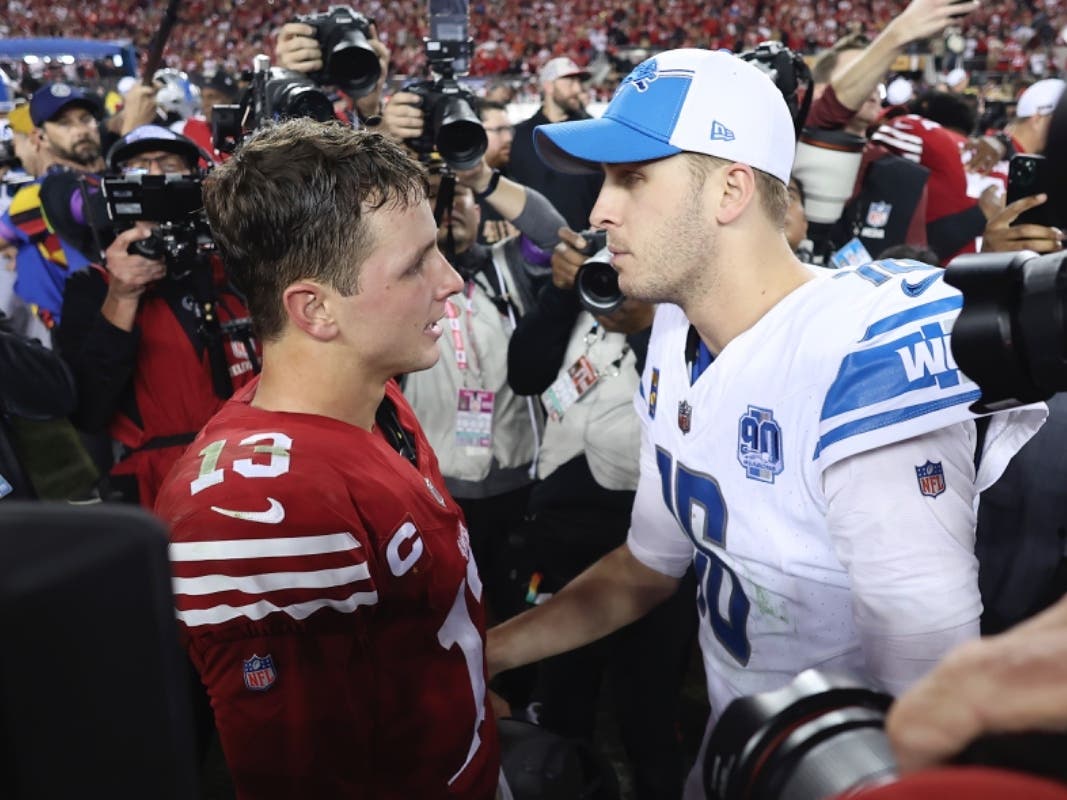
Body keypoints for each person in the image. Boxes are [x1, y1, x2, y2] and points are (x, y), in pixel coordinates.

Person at [487, 48, 1045, 798]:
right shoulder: (673, 329)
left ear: (730, 189)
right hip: (736, 757)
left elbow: (934, 711)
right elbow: (649, 566)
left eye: (631, 178)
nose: (597, 211)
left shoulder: (851, 359)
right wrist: (483, 655)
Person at [154, 119, 502, 799]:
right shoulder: (261, 517)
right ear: (314, 309)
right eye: (413, 264)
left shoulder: (371, 396)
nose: (452, 281)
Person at [504, 228, 697, 798]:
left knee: (650, 718)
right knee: (561, 704)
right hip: (562, 529)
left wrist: (645, 328)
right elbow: (525, 373)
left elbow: (689, 406)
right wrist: (564, 292)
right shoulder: (587, 291)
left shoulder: (687, 312)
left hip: (656, 539)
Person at [55, 125, 259, 508]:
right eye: (138, 167)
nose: (153, 176)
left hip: (257, 462)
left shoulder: (236, 270)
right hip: (160, 486)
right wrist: (122, 295)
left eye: (168, 164)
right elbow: (89, 410)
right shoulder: (93, 286)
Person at [508, 57, 602, 232]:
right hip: (530, 245)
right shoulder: (519, 134)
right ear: (549, 86)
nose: (577, 89)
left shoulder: (593, 131)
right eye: (569, 82)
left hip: (583, 241)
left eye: (579, 83)